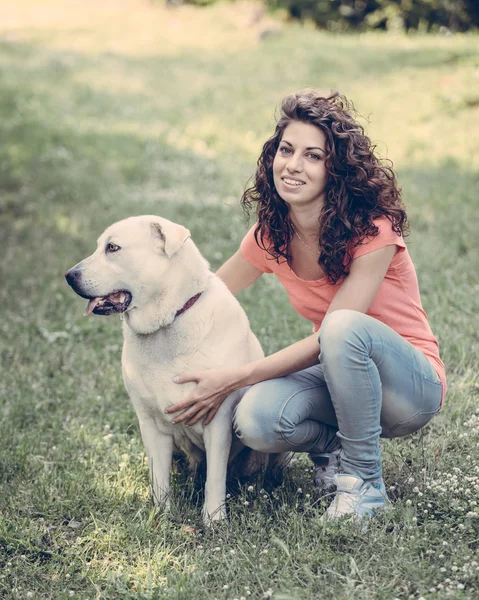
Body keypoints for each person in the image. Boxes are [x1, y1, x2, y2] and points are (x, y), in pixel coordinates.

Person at [165, 90, 446, 521]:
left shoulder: (374, 230)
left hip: (408, 387)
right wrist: (151, 305)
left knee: (339, 328)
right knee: (255, 419)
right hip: (341, 374)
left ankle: (365, 484)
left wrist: (235, 376)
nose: (293, 165)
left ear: (336, 171)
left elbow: (336, 331)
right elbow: (207, 294)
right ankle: (332, 448)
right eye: (286, 150)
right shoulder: (271, 234)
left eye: (313, 156)